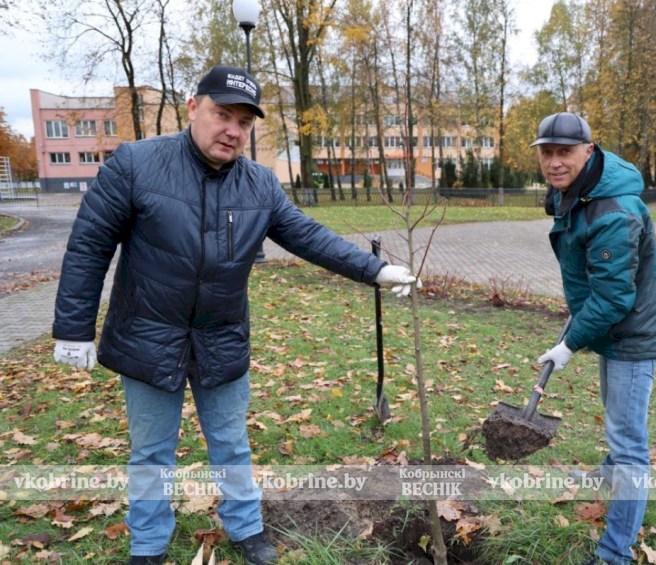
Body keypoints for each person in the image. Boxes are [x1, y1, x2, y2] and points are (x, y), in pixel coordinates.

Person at [51, 64, 418, 565]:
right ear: (193, 108)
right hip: (147, 334)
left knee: (230, 444)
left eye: (244, 123)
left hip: (220, 338)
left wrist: (374, 270)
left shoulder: (259, 186)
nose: (232, 130)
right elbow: (89, 245)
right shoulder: (136, 164)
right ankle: (149, 543)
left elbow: (309, 237)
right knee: (152, 452)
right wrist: (73, 328)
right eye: (222, 114)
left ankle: (247, 530)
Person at [533, 112, 656, 565]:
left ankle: (616, 553)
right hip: (615, 326)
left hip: (631, 331)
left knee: (629, 440)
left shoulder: (614, 210)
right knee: (617, 414)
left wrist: (570, 342)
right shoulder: (577, 192)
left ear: (589, 152)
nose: (555, 163)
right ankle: (607, 474)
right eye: (547, 152)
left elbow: (614, 298)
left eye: (565, 153)